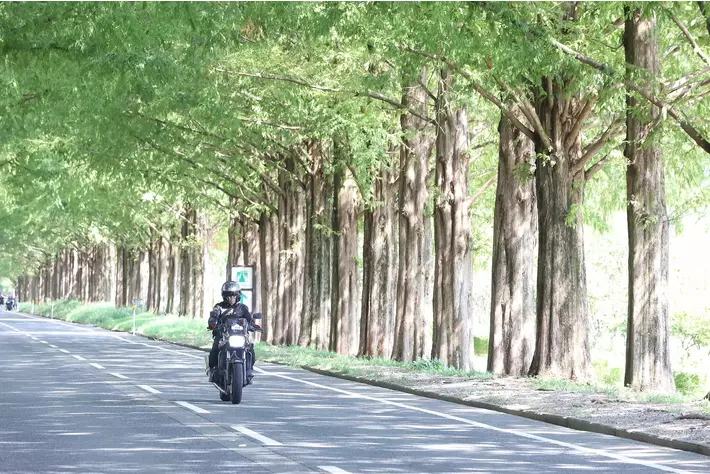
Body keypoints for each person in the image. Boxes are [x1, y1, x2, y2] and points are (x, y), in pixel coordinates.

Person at [207, 281, 257, 383]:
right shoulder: (219, 307)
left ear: (238, 296)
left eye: (234, 296)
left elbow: (249, 319)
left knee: (250, 349)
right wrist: (213, 323)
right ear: (224, 296)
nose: (231, 298)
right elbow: (213, 316)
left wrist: (253, 325)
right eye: (229, 296)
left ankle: (249, 370)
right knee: (215, 349)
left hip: (240, 335)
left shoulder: (243, 308)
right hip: (223, 335)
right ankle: (213, 370)